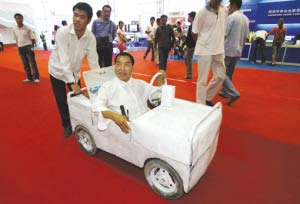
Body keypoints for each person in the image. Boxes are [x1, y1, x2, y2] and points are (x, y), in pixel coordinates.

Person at [48, 2, 100, 137]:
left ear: (88, 21)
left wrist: (97, 82)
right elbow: (64, 61)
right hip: (57, 71)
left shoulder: (90, 37)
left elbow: (94, 62)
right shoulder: (62, 33)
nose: (77, 19)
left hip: (74, 72)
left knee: (78, 98)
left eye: (82, 17)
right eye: (75, 15)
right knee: (61, 100)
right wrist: (72, 83)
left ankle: (79, 122)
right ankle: (66, 124)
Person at [92, 52, 166, 133]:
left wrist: (160, 81)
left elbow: (157, 98)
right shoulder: (108, 87)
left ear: (132, 68)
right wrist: (114, 116)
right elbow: (97, 107)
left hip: (149, 123)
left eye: (127, 65)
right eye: (118, 64)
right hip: (129, 130)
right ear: (115, 67)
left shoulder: (141, 84)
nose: (122, 68)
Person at [192, 0, 227, 106]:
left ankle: (207, 96)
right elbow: (194, 32)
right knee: (202, 80)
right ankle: (200, 105)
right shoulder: (201, 13)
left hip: (219, 49)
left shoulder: (224, 10)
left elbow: (223, 29)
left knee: (220, 76)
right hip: (205, 50)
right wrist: (203, 44)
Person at [219, 0, 249, 106]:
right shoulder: (246, 19)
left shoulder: (231, 17)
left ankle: (233, 92)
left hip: (228, 49)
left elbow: (225, 34)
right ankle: (226, 92)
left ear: (233, 4)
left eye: (229, 5)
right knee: (229, 73)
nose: (228, 7)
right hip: (238, 50)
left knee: (221, 72)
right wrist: (240, 49)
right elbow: (246, 37)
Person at [13, 13, 40, 83]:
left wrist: (32, 47)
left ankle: (36, 77)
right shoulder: (14, 29)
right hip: (20, 48)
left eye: (20, 18)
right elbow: (16, 39)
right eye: (17, 18)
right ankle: (29, 77)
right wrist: (18, 45)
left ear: (22, 19)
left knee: (32, 62)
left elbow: (33, 39)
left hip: (28, 46)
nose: (18, 20)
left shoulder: (28, 28)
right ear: (15, 19)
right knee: (25, 63)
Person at [181, 11, 196, 79]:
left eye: (189, 17)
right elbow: (188, 37)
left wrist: (184, 44)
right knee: (186, 59)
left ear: (192, 18)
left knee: (188, 59)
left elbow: (190, 37)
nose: (187, 18)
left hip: (191, 45)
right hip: (190, 45)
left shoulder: (193, 26)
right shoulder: (192, 26)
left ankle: (189, 74)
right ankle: (189, 72)